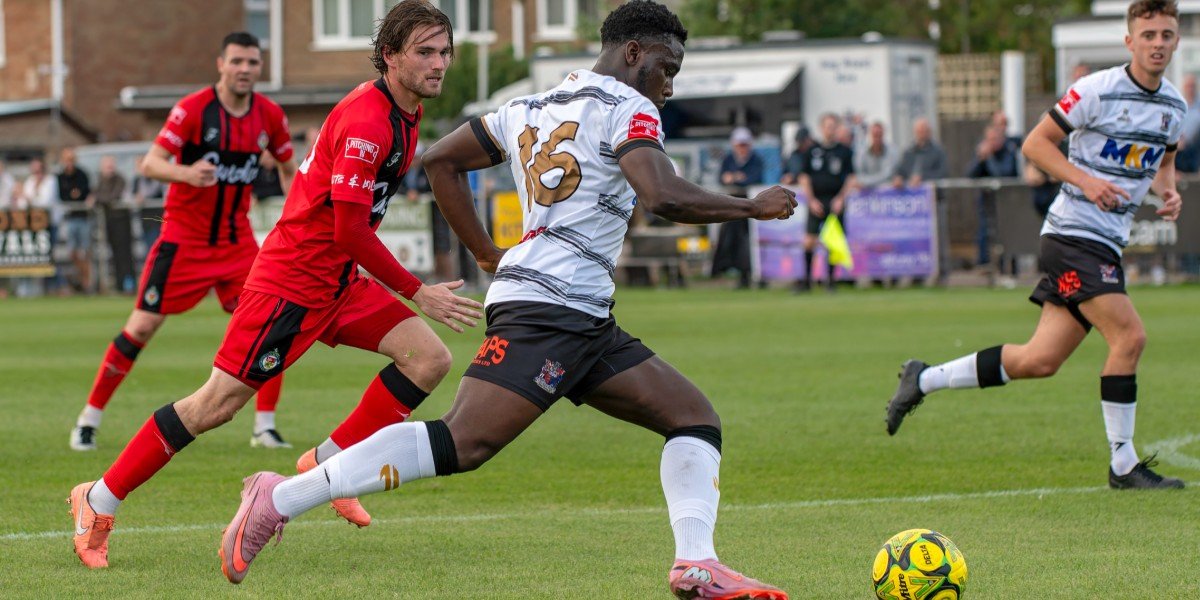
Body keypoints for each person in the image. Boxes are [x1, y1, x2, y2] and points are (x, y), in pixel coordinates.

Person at [218, 3, 796, 597]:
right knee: (463, 442)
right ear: (633, 53)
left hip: (582, 313)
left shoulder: (534, 105)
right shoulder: (628, 107)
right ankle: (280, 497)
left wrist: (488, 254)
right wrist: (752, 206)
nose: (668, 86)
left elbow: (441, 160)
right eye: (666, 68)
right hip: (551, 309)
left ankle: (697, 564)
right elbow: (663, 196)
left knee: (693, 417)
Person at [66, 10, 481, 570]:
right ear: (390, 55)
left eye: (444, 51)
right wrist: (417, 291)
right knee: (214, 406)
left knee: (428, 358)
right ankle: (98, 498)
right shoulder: (369, 121)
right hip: (291, 283)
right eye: (425, 52)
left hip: (338, 280)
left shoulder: (405, 111)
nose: (439, 64)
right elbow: (349, 229)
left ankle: (326, 466)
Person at [886, 0, 1186, 492]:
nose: (1157, 44)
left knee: (1039, 360)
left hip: (1105, 243)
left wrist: (1168, 191)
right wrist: (1086, 181)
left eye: (1166, 35)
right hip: (1073, 235)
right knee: (1129, 337)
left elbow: (1163, 161)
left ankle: (922, 379)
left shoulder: (1174, 107)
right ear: (1129, 41)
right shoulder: (1096, 90)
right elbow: (1035, 144)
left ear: (1176, 41)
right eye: (1148, 35)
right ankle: (1124, 465)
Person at [67, 32, 298, 453]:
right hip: (184, 241)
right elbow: (151, 163)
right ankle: (88, 420)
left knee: (272, 324)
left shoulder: (269, 115)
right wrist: (187, 174)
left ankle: (265, 427)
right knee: (141, 327)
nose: (245, 69)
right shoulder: (193, 109)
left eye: (252, 62)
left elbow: (288, 166)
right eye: (237, 61)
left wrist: (298, 211)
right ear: (221, 64)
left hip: (237, 244)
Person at [797, 112, 856, 292]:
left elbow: (851, 178)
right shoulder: (811, 151)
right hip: (817, 200)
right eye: (827, 126)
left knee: (833, 241)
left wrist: (841, 198)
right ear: (821, 128)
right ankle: (807, 281)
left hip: (835, 200)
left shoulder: (844, 151)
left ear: (837, 128)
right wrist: (811, 200)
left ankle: (831, 281)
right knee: (809, 240)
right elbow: (804, 177)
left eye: (833, 126)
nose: (830, 130)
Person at [710, 126, 763, 288]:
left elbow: (754, 179)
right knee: (730, 239)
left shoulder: (755, 160)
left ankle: (752, 274)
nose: (742, 148)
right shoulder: (729, 159)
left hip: (750, 207)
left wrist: (734, 178)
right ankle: (727, 270)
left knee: (749, 241)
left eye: (744, 145)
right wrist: (737, 177)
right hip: (732, 206)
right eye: (739, 145)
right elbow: (722, 178)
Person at [968, 124, 1019, 265]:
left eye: (994, 139)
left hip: (1006, 201)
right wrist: (979, 159)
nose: (991, 143)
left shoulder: (1009, 150)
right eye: (989, 139)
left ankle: (1008, 266)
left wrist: (989, 157)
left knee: (1007, 234)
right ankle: (984, 265)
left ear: (1001, 139)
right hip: (987, 201)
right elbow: (970, 175)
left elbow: (1001, 175)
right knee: (984, 232)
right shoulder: (982, 154)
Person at [93, 155, 136, 293]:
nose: (109, 169)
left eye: (111, 166)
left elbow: (111, 197)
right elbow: (97, 195)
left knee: (125, 254)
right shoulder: (100, 180)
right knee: (114, 255)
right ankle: (119, 284)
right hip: (108, 221)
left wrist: (99, 200)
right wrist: (99, 199)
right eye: (107, 166)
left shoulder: (120, 179)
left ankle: (129, 284)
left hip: (122, 222)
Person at [58, 147, 92, 292]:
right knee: (72, 252)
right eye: (67, 160)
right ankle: (82, 277)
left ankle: (87, 282)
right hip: (69, 218)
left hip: (83, 218)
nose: (69, 163)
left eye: (71, 159)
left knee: (85, 251)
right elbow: (62, 196)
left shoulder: (82, 175)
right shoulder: (60, 177)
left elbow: (87, 193)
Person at [891, 118, 947, 188]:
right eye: (919, 131)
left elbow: (943, 173)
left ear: (929, 132)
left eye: (924, 131)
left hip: (932, 191)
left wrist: (922, 177)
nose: (922, 134)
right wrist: (898, 177)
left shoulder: (938, 151)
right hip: (909, 192)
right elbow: (900, 170)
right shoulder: (908, 152)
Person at [854, 121, 897, 189]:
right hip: (867, 192)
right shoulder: (861, 153)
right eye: (875, 135)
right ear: (870, 135)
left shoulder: (892, 151)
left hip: (886, 190)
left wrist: (866, 182)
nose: (877, 138)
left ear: (883, 135)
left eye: (879, 135)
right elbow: (859, 175)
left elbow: (889, 173)